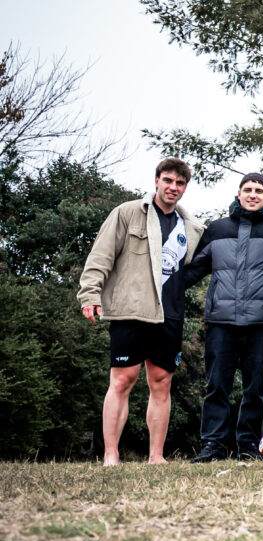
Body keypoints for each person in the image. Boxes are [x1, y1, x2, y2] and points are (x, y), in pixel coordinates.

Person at [78, 158, 205, 465]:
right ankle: (111, 455)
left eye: (180, 183)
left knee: (161, 382)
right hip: (131, 309)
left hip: (170, 314)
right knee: (122, 380)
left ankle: (156, 456)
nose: (173, 187)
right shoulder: (127, 213)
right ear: (156, 181)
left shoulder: (191, 227)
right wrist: (90, 294)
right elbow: (101, 256)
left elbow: (191, 269)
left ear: (185, 188)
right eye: (168, 180)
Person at [181, 173, 263, 462]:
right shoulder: (218, 229)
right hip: (220, 322)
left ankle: (248, 445)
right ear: (239, 194)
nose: (253, 194)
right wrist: (162, 286)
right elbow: (195, 268)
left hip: (260, 322)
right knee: (217, 386)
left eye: (259, 191)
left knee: (255, 388)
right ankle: (213, 445)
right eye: (247, 190)